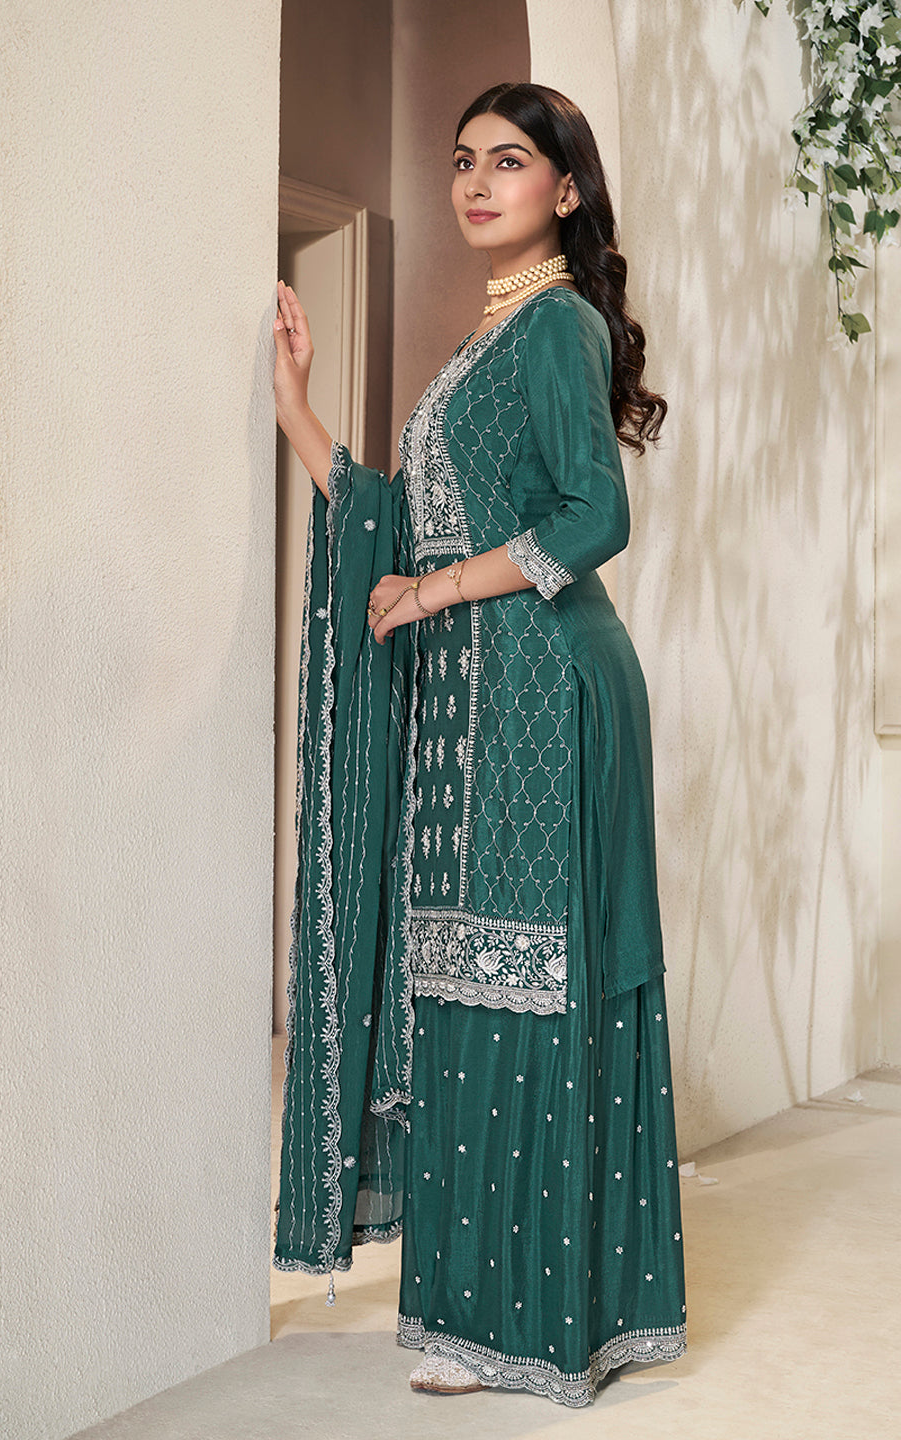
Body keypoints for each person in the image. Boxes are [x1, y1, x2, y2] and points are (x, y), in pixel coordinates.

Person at [270, 81, 687, 1408]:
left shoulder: (557, 325)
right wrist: (298, 412)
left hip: (543, 692)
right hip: (479, 696)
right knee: (463, 979)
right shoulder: (490, 339)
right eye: (464, 161)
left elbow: (595, 516)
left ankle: (537, 1325)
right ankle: (481, 1311)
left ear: (565, 188)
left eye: (509, 161)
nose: (476, 181)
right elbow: (409, 524)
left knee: (523, 978)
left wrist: (439, 591)